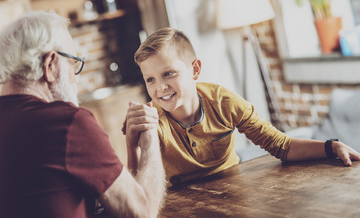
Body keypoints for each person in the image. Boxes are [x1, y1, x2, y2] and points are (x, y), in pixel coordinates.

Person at [125, 27, 360, 186]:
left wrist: (330, 146)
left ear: (195, 70)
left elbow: (281, 145)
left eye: (169, 74)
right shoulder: (151, 120)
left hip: (235, 192)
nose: (160, 87)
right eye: (150, 80)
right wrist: (132, 143)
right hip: (183, 205)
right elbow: (140, 186)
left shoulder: (223, 102)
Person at [0, 11, 165, 218]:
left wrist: (133, 149)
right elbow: (142, 212)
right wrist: (150, 135)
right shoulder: (66, 122)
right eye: (73, 63)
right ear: (50, 64)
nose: (76, 79)